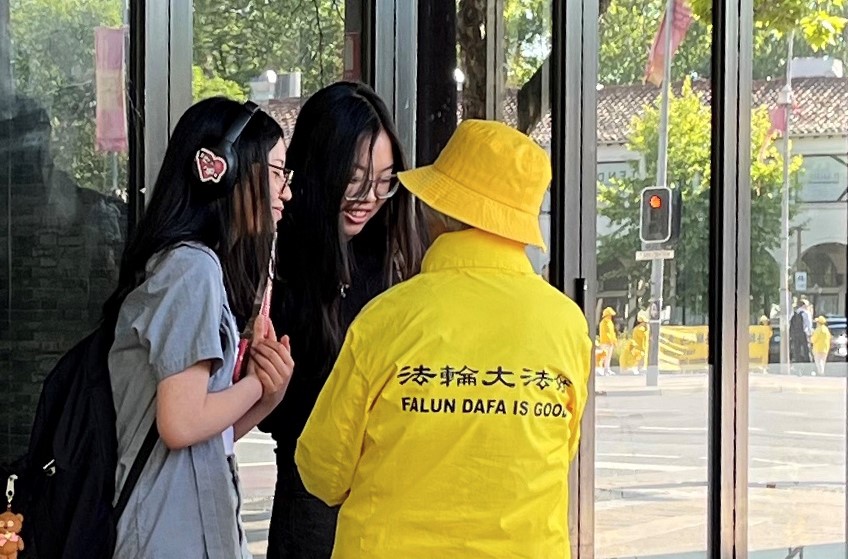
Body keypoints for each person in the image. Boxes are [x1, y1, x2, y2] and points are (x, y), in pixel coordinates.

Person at [295, 120, 592, 558]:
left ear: (442, 213)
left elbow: (322, 471)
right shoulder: (567, 326)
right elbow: (560, 450)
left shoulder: (388, 318)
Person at [104, 97, 295, 558]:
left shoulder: (185, 266)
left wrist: (267, 396)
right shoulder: (192, 269)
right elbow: (181, 423)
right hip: (169, 539)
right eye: (276, 173)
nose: (285, 192)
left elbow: (206, 441)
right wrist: (255, 385)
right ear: (227, 170)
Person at [259, 82, 428, 558]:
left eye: (385, 181)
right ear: (317, 169)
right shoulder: (276, 259)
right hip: (312, 499)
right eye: (354, 179)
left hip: (392, 496)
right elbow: (276, 413)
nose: (369, 197)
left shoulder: (393, 256)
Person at [599, 306, 618, 375]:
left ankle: (607, 369)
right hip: (605, 342)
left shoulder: (610, 322)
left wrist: (614, 341)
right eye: (610, 315)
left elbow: (612, 332)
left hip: (610, 343)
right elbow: (606, 333)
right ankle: (603, 370)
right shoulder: (604, 322)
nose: (611, 316)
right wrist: (610, 341)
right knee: (604, 356)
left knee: (608, 357)